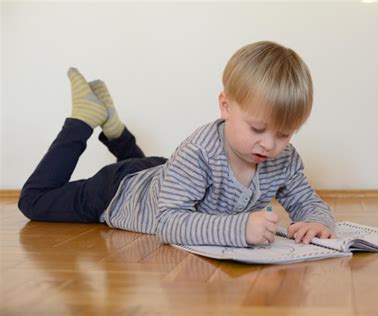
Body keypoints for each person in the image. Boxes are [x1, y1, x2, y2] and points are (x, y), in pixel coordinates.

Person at [18, 41, 336, 247]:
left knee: (157, 173)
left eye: (285, 134)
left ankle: (115, 129)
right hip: (119, 192)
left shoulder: (285, 159)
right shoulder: (199, 152)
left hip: (163, 173)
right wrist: (239, 229)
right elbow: (168, 223)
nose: (269, 145)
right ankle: (84, 119)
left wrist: (316, 222)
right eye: (257, 128)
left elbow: (307, 201)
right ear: (225, 106)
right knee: (34, 201)